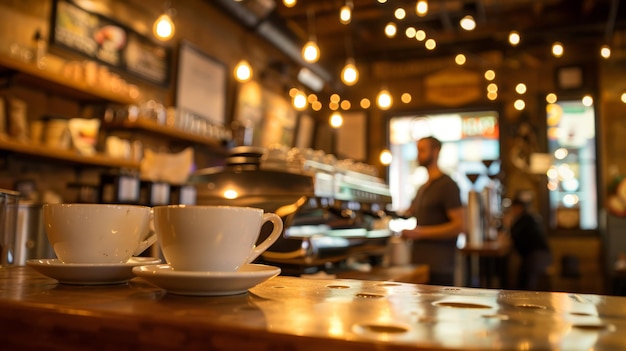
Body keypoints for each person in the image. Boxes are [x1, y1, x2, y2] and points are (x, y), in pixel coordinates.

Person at [401, 136, 466, 286]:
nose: (418, 155)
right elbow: (411, 213)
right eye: (417, 150)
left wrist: (420, 233)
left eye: (422, 150)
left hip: (439, 267)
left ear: (436, 152)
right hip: (420, 267)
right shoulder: (423, 188)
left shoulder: (447, 185)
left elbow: (460, 226)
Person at [506, 197, 552, 290]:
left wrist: (509, 224)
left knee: (526, 280)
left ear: (519, 207)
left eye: (513, 208)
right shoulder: (527, 218)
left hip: (538, 255)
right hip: (538, 255)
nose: (512, 211)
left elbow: (514, 234)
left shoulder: (525, 219)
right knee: (523, 276)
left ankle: (527, 301)